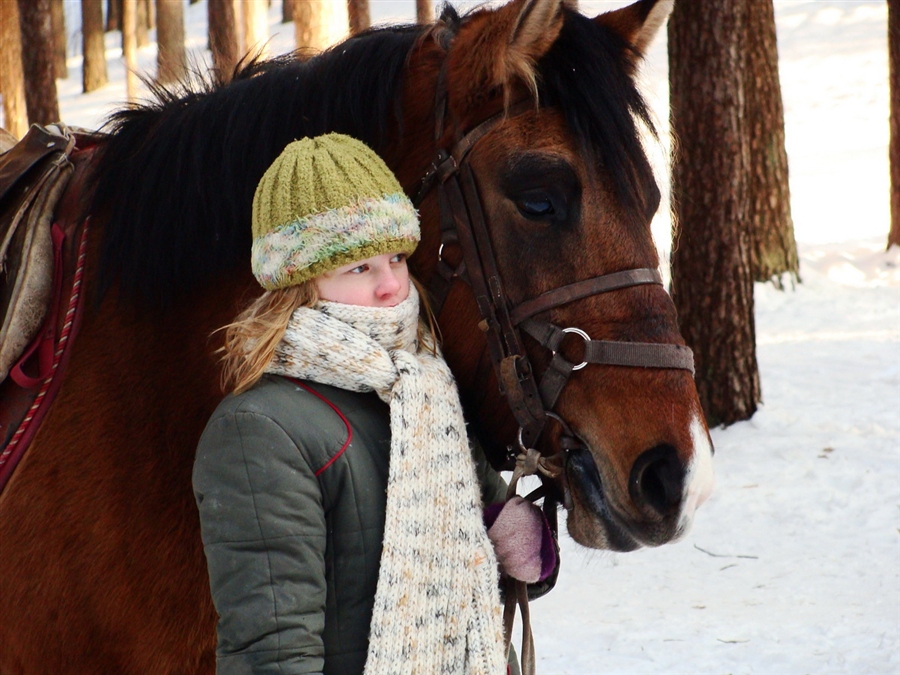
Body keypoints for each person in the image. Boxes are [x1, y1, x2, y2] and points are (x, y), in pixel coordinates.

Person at [192, 134, 552, 675]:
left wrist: (516, 541)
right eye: (358, 268)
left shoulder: (424, 388)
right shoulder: (258, 432)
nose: (391, 287)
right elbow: (271, 652)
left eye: (396, 258)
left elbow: (485, 562)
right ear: (300, 286)